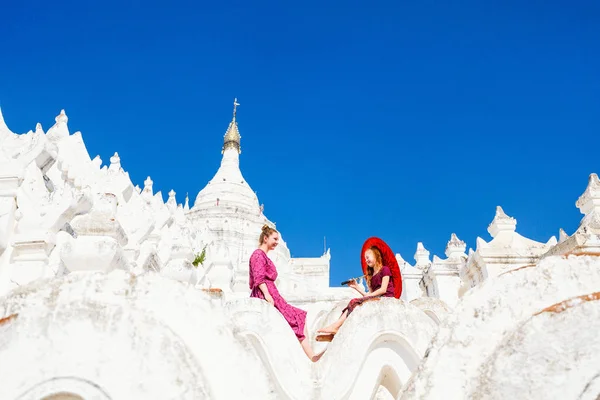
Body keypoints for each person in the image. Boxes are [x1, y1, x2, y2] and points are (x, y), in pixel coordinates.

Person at [249, 224, 325, 362]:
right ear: (265, 238)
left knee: (299, 316)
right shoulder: (258, 255)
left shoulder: (263, 256)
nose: (277, 242)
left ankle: (310, 354)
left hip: (273, 293)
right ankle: (311, 355)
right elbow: (259, 277)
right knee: (297, 317)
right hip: (266, 293)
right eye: (275, 239)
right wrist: (267, 295)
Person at [317, 246, 395, 335]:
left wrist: (369, 296)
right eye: (365, 259)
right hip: (376, 298)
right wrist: (356, 287)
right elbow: (368, 294)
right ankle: (336, 327)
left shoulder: (385, 269)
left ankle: (335, 326)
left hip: (385, 297)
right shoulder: (371, 276)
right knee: (352, 303)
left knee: (354, 301)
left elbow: (383, 289)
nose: (366, 260)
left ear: (376, 255)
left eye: (368, 257)